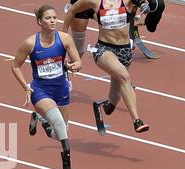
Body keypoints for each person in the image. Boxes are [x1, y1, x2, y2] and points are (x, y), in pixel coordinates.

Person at [11, 5, 82, 169]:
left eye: (54, 17)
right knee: (58, 121)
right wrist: (25, 87)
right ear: (39, 22)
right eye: (48, 18)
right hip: (41, 90)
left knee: (62, 132)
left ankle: (41, 120)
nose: (53, 21)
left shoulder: (64, 39)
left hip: (61, 89)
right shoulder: (30, 43)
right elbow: (15, 65)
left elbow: (78, 61)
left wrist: (74, 66)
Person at [63, 0, 150, 133]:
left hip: (124, 51)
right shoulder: (95, 2)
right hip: (104, 50)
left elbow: (147, 3)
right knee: (124, 76)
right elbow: (72, 10)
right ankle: (137, 120)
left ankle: (106, 105)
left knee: (115, 97)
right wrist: (63, 35)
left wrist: (147, 6)